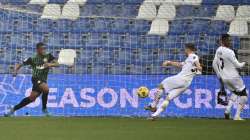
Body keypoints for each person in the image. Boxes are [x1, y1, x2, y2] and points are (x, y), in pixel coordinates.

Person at [145, 43, 202, 120]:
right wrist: (169, 62)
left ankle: (153, 105)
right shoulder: (188, 60)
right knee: (168, 98)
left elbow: (197, 63)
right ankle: (155, 115)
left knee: (161, 85)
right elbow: (180, 64)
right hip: (186, 84)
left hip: (181, 79)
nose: (184, 51)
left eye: (185, 49)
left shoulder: (193, 56)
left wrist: (199, 67)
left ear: (188, 49)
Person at [5, 42, 59, 116]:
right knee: (46, 89)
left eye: (44, 48)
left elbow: (58, 64)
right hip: (36, 78)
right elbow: (20, 64)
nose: (44, 50)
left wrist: (50, 64)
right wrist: (15, 71)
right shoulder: (32, 59)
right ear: (37, 50)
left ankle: (13, 109)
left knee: (31, 98)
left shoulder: (48, 56)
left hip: (43, 80)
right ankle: (44, 109)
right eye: (42, 49)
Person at [213, 34, 248, 120]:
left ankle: (227, 110)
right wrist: (245, 63)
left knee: (236, 92)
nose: (230, 42)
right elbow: (238, 65)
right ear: (224, 41)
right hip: (233, 77)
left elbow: (214, 63)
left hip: (224, 78)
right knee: (244, 94)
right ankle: (237, 116)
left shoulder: (218, 50)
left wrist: (219, 75)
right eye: (229, 40)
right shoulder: (230, 52)